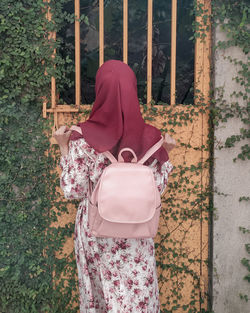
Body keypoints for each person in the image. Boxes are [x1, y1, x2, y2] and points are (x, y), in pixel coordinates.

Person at [53, 60, 176, 313]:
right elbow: (157, 192)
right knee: (137, 296)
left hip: (96, 231)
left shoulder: (82, 139)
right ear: (133, 90)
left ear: (100, 91)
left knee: (99, 297)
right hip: (136, 231)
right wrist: (168, 154)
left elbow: (72, 190)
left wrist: (64, 147)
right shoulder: (152, 139)